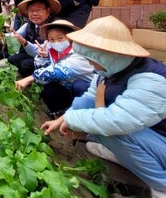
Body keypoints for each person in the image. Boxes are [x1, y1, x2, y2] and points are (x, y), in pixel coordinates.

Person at [41, 16, 166, 196]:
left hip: (159, 138)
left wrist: (72, 120)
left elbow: (117, 121)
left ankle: (161, 186)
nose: (89, 62)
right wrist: (60, 120)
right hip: (151, 136)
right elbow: (89, 97)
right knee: (97, 134)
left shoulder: (151, 79)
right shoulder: (110, 69)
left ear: (106, 53)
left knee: (109, 132)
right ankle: (130, 158)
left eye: (91, 56)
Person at [15, 20, 94, 118]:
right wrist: (42, 57)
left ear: (71, 37)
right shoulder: (53, 50)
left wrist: (30, 78)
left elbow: (60, 71)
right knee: (49, 86)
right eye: (51, 39)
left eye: (60, 38)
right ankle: (61, 111)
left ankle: (85, 115)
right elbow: (43, 68)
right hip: (67, 87)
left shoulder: (79, 53)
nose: (56, 42)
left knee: (79, 86)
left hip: (86, 91)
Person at [7, 0, 60, 77]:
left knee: (26, 64)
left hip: (51, 58)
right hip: (35, 54)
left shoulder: (54, 27)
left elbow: (38, 52)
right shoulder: (29, 25)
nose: (35, 14)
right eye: (31, 11)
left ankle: (38, 81)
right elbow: (16, 34)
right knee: (12, 59)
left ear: (48, 11)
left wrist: (24, 42)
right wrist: (3, 37)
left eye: (39, 10)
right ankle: (27, 79)